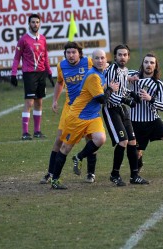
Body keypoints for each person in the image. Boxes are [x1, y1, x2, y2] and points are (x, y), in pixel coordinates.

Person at [50, 49, 116, 189]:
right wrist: (111, 89)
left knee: (100, 139)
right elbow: (101, 99)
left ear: (106, 59)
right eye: (97, 58)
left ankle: (79, 157)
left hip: (93, 116)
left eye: (102, 58)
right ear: (92, 60)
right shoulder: (93, 76)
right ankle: (55, 179)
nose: (100, 60)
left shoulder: (102, 71)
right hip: (77, 117)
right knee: (66, 147)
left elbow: (116, 70)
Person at [40, 41, 96, 184]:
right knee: (59, 140)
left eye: (74, 52)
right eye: (68, 52)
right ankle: (50, 173)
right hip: (70, 108)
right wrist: (54, 100)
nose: (71, 55)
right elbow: (60, 83)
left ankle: (91, 173)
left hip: (87, 107)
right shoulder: (61, 66)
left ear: (79, 53)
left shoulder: (89, 62)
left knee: (90, 139)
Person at [102, 44, 149, 187]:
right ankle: (114, 174)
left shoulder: (125, 70)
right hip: (111, 109)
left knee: (133, 141)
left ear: (128, 57)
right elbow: (108, 96)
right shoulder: (112, 71)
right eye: (119, 54)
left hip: (121, 109)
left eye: (125, 55)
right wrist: (125, 100)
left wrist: (131, 94)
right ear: (115, 56)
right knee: (123, 141)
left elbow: (121, 90)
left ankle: (134, 175)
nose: (122, 57)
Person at [11, 13, 54, 140]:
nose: (35, 24)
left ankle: (37, 131)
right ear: (29, 24)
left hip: (41, 73)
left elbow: (45, 57)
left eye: (37, 22)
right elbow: (16, 58)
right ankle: (25, 132)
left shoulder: (43, 39)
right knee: (29, 102)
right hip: (29, 74)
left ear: (40, 24)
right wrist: (13, 74)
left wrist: (49, 73)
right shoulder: (23, 39)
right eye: (33, 22)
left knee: (39, 102)